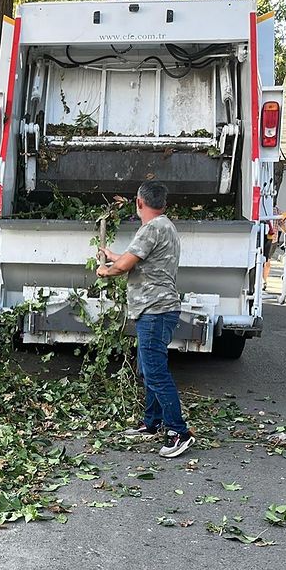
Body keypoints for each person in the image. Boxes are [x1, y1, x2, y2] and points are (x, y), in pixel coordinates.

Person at [96, 181, 195, 458]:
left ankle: (179, 432)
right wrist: (113, 256)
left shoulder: (151, 228)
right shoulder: (165, 226)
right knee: (147, 370)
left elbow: (126, 265)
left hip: (155, 309)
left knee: (155, 372)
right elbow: (135, 258)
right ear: (164, 203)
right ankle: (151, 424)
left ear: (139, 202)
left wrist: (106, 271)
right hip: (157, 309)